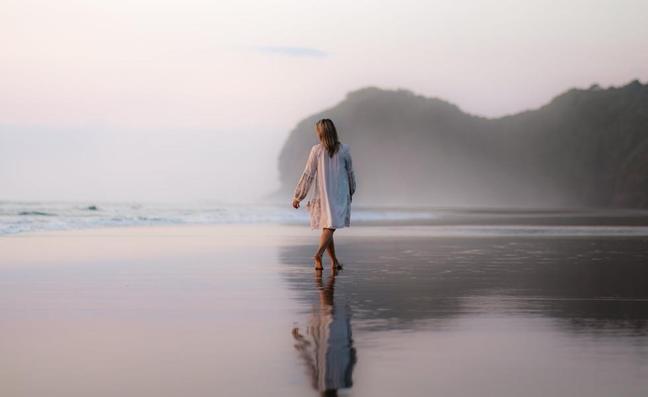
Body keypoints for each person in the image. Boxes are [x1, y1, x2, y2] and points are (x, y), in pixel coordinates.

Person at [292, 118, 356, 270]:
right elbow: (350, 174)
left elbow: (308, 174)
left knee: (328, 226)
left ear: (321, 133)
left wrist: (298, 196)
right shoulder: (343, 150)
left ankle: (334, 262)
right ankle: (318, 255)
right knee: (330, 226)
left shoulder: (318, 150)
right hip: (338, 195)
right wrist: (352, 190)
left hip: (325, 194)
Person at [292, 269, 356, 396]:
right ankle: (328, 262)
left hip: (335, 331)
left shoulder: (345, 382)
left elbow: (352, 357)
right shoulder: (323, 383)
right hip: (330, 331)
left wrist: (299, 340)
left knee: (327, 297)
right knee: (327, 297)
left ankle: (329, 262)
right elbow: (308, 361)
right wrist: (299, 340)